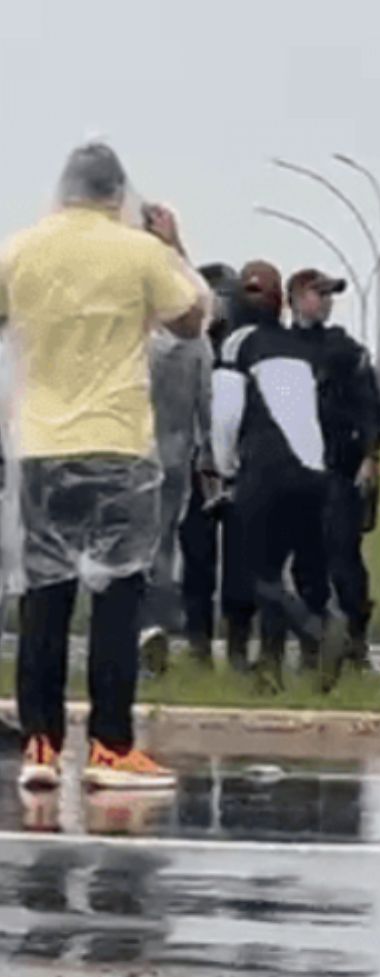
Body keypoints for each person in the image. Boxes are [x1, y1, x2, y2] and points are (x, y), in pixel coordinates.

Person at [1, 143, 208, 791]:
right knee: (117, 599)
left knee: (45, 597)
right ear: (119, 195)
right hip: (117, 445)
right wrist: (173, 248)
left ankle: (40, 742)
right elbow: (190, 322)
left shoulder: (19, 250)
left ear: (63, 189)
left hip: (40, 446)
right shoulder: (139, 252)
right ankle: (111, 746)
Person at [211, 262, 351, 693]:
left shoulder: (238, 343)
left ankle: (313, 630)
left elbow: (226, 414)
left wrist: (224, 468)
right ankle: (271, 669)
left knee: (257, 572)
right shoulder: (296, 347)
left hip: (266, 469)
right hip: (313, 473)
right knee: (286, 568)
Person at [287, 269, 380, 667]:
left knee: (345, 556)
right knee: (306, 560)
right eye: (318, 294)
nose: (326, 302)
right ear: (295, 298)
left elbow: (369, 406)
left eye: (329, 295)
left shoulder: (344, 349)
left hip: (341, 466)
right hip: (297, 468)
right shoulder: (280, 349)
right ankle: (314, 640)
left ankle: (355, 639)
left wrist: (371, 455)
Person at [137, 285, 217, 676]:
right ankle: (157, 623)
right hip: (176, 459)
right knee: (165, 548)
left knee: (128, 547)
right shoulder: (198, 348)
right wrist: (210, 456)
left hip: (133, 454)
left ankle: (139, 625)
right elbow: (207, 405)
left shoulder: (140, 344)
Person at [178, 263, 243, 667]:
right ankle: (198, 639)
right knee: (197, 557)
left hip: (236, 464)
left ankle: (236, 640)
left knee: (239, 559)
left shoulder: (242, 347)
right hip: (195, 463)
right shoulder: (184, 347)